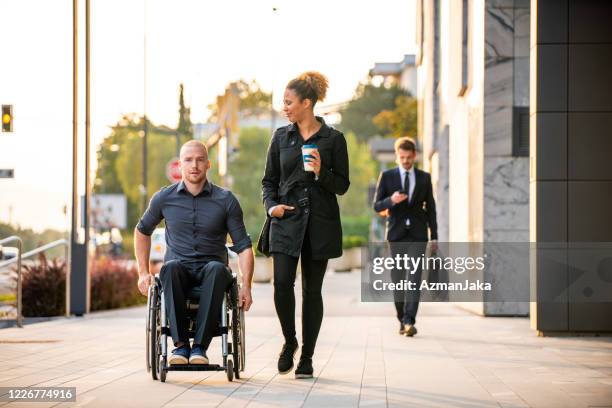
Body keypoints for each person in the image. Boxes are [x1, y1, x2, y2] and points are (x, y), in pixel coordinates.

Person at [261, 71, 349, 379]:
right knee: (282, 284)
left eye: (289, 102)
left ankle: (307, 357)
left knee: (313, 292)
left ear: (306, 103)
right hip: (286, 220)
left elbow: (342, 186)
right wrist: (272, 207)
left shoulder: (334, 139)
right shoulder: (281, 137)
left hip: (320, 224)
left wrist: (323, 171)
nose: (284, 107)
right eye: (283, 102)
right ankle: (290, 341)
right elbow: (269, 181)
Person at [135, 140, 254, 366]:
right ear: (180, 165)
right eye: (188, 160)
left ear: (208, 164)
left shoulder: (226, 200)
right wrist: (142, 272)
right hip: (178, 270)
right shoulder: (164, 198)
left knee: (218, 269)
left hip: (213, 271)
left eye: (200, 159)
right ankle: (180, 348)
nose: (194, 165)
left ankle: (200, 347)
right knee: (168, 268)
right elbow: (142, 231)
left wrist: (247, 285)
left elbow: (244, 246)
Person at [373, 137, 438, 337]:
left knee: (415, 279)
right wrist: (390, 200)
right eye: (402, 157)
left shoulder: (424, 178)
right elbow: (377, 206)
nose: (406, 161)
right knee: (398, 278)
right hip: (396, 235)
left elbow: (431, 209)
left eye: (409, 157)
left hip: (418, 235)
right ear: (397, 156)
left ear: (415, 156)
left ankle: (410, 320)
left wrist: (434, 236)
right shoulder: (387, 176)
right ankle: (401, 317)